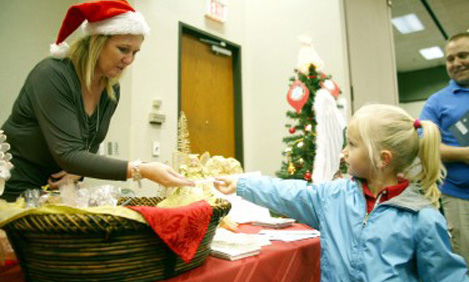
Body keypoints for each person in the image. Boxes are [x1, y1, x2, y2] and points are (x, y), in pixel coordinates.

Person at [215, 104, 469, 281]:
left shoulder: (421, 217)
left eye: (352, 144)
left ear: (383, 159)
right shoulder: (333, 197)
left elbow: (447, 276)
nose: (344, 152)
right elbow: (289, 192)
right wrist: (242, 184)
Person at [1, 0, 193, 202]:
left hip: (54, 195)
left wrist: (77, 171)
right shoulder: (52, 75)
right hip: (13, 191)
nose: (129, 60)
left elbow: (89, 146)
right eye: (123, 49)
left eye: (135, 52)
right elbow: (68, 153)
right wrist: (140, 169)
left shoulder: (110, 89)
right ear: (96, 43)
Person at [420, 32, 469, 266]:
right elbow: (425, 143)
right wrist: (464, 155)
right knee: (465, 262)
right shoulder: (436, 102)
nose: (457, 63)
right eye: (451, 59)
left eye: (463, 55)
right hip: (458, 196)